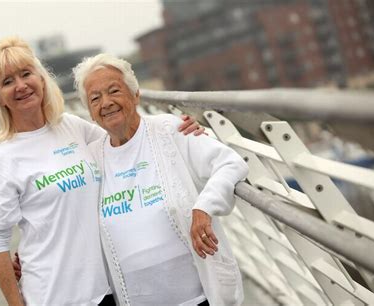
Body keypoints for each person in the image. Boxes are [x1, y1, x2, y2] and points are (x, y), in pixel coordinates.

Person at [0, 37, 203, 306]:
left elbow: (127, 141)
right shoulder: (1, 158)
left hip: (108, 288)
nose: (21, 85)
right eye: (7, 81)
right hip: (54, 296)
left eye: (26, 74)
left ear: (41, 79)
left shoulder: (72, 127)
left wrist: (176, 129)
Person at [72, 54, 249, 305]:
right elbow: (65, 211)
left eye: (114, 91)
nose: (106, 103)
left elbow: (231, 163)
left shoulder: (170, 130)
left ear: (135, 95)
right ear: (90, 112)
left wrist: (204, 207)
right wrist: (27, 258)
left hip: (199, 299)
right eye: (95, 98)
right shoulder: (92, 159)